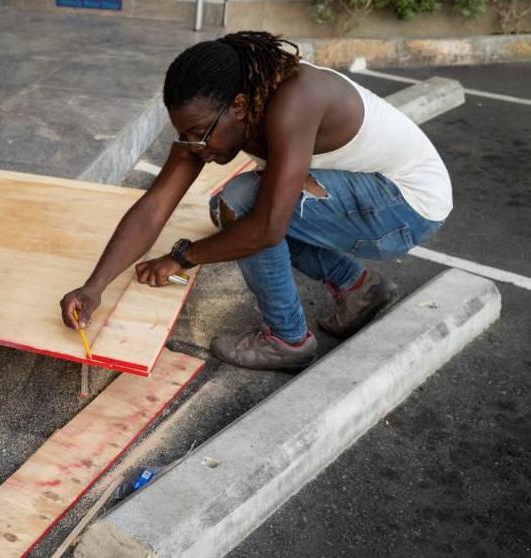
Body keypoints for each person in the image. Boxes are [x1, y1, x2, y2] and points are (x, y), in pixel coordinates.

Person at [60, 32, 451, 371]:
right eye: (186, 133)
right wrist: (94, 287)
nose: (193, 144)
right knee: (231, 209)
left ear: (241, 107)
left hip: (406, 208)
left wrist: (181, 256)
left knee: (242, 204)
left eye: (198, 133)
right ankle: (358, 288)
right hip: (371, 196)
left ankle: (288, 341)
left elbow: (267, 229)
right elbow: (155, 206)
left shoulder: (295, 101)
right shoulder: (223, 112)